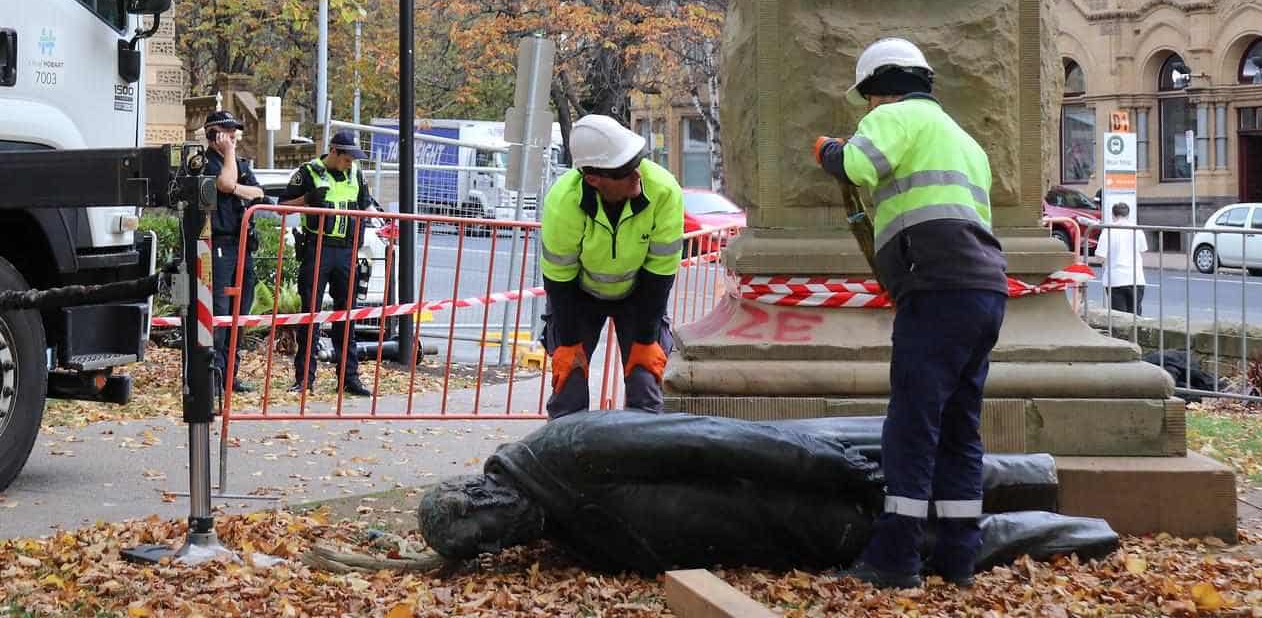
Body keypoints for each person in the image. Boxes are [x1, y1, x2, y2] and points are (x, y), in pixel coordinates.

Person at [416, 411, 1117, 575]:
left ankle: (1041, 485)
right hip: (778, 522)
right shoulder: (553, 515)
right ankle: (1076, 533)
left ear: (481, 500)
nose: (501, 546)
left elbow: (707, 440)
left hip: (792, 476)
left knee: (923, 489)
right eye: (490, 551)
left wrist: (825, 465)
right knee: (922, 537)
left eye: (488, 536)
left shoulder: (564, 451)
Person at [813, 37, 1009, 589]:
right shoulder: (965, 141)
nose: (868, 108)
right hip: (983, 292)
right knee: (958, 426)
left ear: (880, 90)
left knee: (912, 425)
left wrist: (828, 150)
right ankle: (957, 557)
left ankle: (895, 559)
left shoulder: (893, 118)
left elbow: (858, 166)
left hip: (937, 290)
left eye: (868, 98)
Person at [539, 115, 684, 419]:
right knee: (569, 385)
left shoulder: (664, 192)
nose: (636, 175)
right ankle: (567, 459)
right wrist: (568, 344)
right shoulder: (563, 202)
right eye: (624, 171)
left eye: (636, 163)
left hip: (640, 295)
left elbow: (660, 274)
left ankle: (643, 461)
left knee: (645, 384)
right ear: (594, 179)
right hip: (577, 297)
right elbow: (559, 280)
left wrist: (645, 341)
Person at [280, 130, 374, 396]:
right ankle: (304, 379)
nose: (351, 163)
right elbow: (282, 206)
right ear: (334, 152)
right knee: (311, 314)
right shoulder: (308, 172)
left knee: (348, 315)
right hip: (317, 248)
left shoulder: (356, 174)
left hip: (346, 251)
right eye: (347, 158)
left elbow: (365, 206)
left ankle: (349, 377)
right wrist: (308, 200)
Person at [203, 110, 263, 395]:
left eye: (235, 132)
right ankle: (213, 375)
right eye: (228, 131)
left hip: (242, 245)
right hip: (219, 245)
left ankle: (230, 376)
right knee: (222, 313)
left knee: (240, 313)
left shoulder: (238, 164)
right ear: (213, 134)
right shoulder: (205, 162)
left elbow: (259, 193)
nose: (234, 137)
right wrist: (229, 158)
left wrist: (239, 188)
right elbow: (225, 184)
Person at [1095, 202, 1147, 315]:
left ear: (1113, 215)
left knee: (1119, 319)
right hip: (1136, 278)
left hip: (1116, 279)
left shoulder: (1108, 230)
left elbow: (1100, 257)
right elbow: (1143, 250)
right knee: (1135, 318)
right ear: (1128, 215)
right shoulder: (1137, 230)